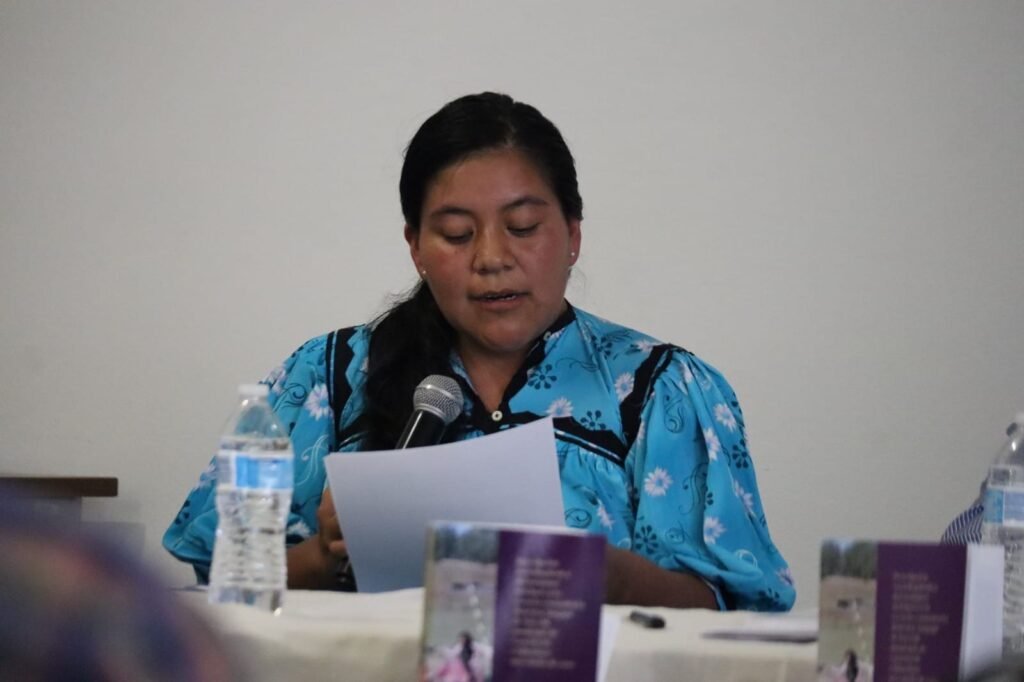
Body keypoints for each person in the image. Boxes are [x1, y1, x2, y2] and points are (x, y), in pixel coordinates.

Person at [164, 92, 795, 611]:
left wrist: (606, 577)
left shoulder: (659, 387)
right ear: (415, 246)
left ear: (573, 235)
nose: (492, 258)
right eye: (456, 233)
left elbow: (736, 606)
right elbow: (213, 588)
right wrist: (325, 558)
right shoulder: (328, 378)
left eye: (522, 227)